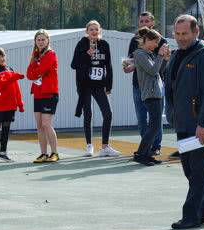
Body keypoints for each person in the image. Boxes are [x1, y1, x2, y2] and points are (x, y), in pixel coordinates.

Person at [165, 15, 204, 230]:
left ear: (196, 33)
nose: (180, 38)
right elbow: (172, 84)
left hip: (198, 124)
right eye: (177, 34)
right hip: (182, 122)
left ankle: (191, 216)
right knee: (192, 171)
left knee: (196, 172)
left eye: (185, 34)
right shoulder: (177, 55)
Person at [71, 20, 119, 158]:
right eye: (91, 29)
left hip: (99, 85)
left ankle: (105, 147)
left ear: (100, 31)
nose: (93, 32)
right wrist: (87, 54)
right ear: (87, 31)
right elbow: (73, 64)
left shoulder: (104, 45)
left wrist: (109, 85)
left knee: (108, 113)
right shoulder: (81, 44)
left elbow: (108, 66)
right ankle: (89, 146)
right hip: (85, 85)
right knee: (88, 114)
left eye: (96, 29)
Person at [124, 11, 169, 157]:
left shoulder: (160, 41)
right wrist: (130, 66)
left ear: (152, 23)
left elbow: (158, 68)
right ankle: (144, 150)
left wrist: (164, 58)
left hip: (156, 87)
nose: (143, 24)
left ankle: (154, 147)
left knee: (155, 121)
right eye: (141, 21)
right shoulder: (137, 45)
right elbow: (137, 61)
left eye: (146, 21)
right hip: (141, 85)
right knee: (143, 119)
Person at [132, 27, 170, 166]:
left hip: (157, 93)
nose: (157, 45)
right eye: (155, 42)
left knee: (155, 125)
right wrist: (160, 55)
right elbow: (153, 71)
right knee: (154, 126)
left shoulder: (149, 54)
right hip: (150, 94)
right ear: (146, 40)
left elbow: (159, 71)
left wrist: (164, 59)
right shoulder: (140, 54)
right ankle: (141, 154)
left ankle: (146, 153)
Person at [0, 47, 24, 162]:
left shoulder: (10, 69)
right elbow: (1, 85)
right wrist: (14, 77)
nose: (1, 58)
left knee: (6, 129)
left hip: (11, 105)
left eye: (2, 56)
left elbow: (16, 88)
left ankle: (3, 153)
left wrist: (20, 103)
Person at [26, 30, 59, 163]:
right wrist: (35, 70)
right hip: (38, 94)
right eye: (38, 40)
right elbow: (29, 74)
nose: (40, 42)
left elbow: (41, 71)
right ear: (35, 41)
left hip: (49, 94)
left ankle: (55, 153)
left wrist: (36, 72)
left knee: (46, 124)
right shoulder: (35, 55)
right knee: (39, 125)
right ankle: (43, 154)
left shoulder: (51, 54)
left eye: (43, 39)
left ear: (47, 41)